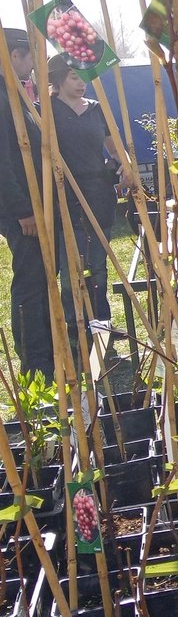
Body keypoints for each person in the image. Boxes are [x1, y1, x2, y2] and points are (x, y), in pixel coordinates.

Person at [44, 54, 128, 342]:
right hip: (64, 195)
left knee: (98, 262)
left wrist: (125, 167)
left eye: (84, 77)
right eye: (74, 77)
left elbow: (115, 147)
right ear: (58, 80)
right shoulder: (46, 111)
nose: (82, 83)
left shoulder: (95, 109)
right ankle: (75, 325)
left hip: (97, 192)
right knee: (72, 267)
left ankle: (101, 322)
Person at [0, 27, 53, 378]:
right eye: (30, 57)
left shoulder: (14, 93)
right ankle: (35, 362)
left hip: (33, 204)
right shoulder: (2, 96)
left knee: (40, 279)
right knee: (31, 283)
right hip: (23, 210)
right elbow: (3, 159)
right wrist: (23, 210)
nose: (34, 66)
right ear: (14, 56)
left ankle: (45, 351)